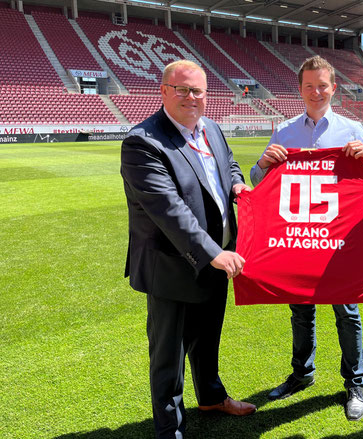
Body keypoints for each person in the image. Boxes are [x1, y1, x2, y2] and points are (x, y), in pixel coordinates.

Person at [120, 59, 256, 439]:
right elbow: (169, 210)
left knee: (208, 336)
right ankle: (170, 429)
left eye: (198, 90)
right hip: (173, 266)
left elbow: (228, 167)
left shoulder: (211, 127)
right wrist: (213, 251)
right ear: (164, 91)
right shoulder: (142, 142)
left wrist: (237, 187)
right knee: (169, 356)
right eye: (181, 89)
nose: (190, 97)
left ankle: (211, 396)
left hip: (217, 258)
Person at [249, 55, 363, 421]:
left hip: (339, 239)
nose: (316, 91)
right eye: (309, 85)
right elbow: (260, 184)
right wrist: (262, 165)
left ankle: (354, 383)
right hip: (298, 236)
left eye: (322, 85)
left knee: (347, 312)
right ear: (300, 89)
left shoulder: (352, 128)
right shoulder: (285, 131)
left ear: (333, 87)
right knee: (300, 310)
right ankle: (301, 374)